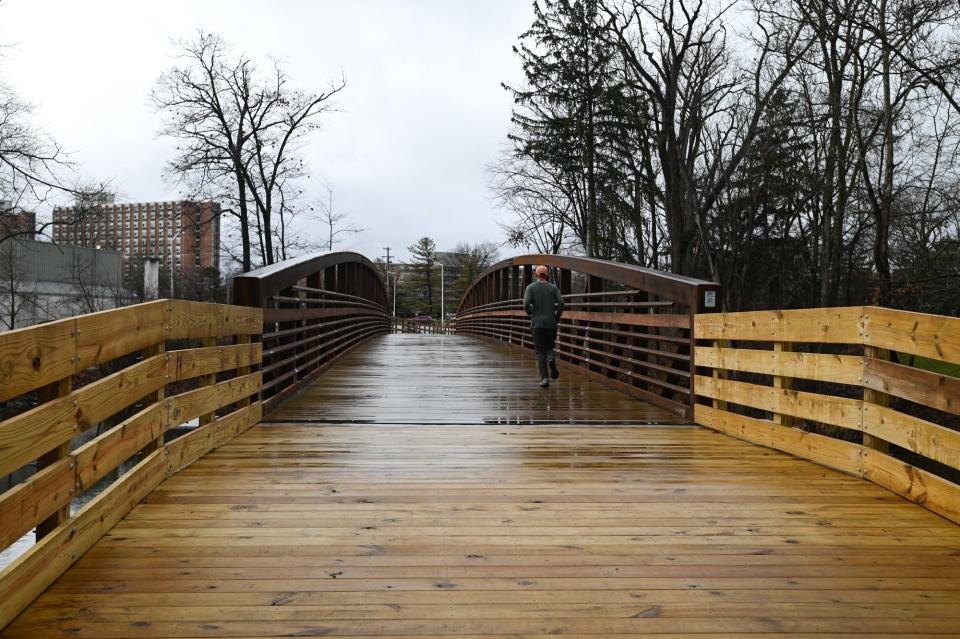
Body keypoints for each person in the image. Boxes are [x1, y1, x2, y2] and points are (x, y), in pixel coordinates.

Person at [523, 264, 564, 387]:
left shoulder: (530, 288)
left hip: (537, 324)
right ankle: (551, 360)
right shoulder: (553, 288)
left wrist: (531, 313)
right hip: (551, 323)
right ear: (547, 275)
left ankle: (545, 379)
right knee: (549, 347)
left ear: (536, 275)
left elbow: (526, 304)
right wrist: (556, 317)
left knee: (540, 352)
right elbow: (561, 303)